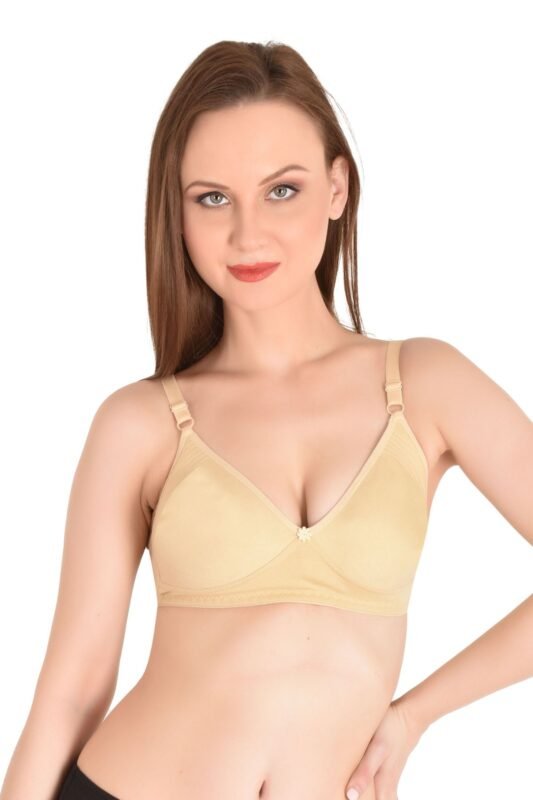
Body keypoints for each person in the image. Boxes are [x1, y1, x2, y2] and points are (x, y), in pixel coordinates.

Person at [2, 39, 532, 800]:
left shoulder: (423, 385)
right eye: (212, 198)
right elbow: (71, 690)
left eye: (281, 190)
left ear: (337, 187)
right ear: (177, 212)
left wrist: (412, 717)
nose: (247, 235)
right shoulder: (141, 424)